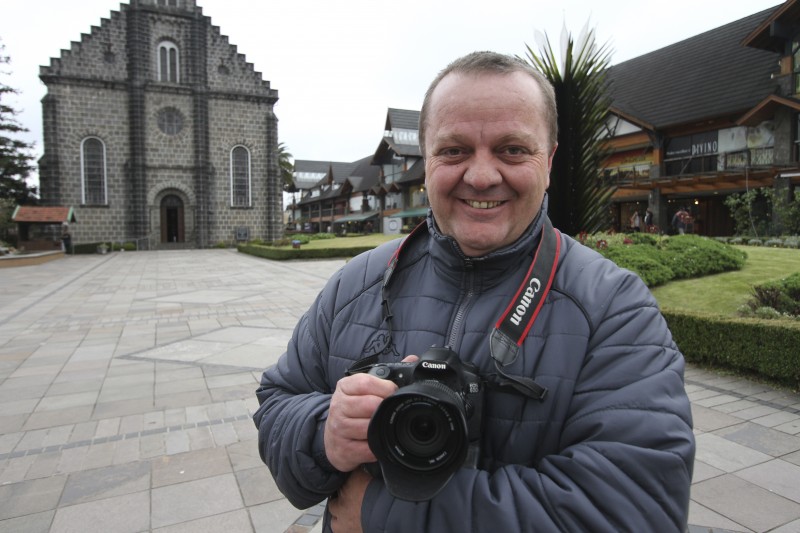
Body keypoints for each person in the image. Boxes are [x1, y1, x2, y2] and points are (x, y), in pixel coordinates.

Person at [254, 51, 695, 532]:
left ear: (548, 161)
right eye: (454, 150)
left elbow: (634, 510)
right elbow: (277, 400)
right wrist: (324, 432)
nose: (481, 176)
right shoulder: (355, 283)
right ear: (426, 160)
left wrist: (383, 515)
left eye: (512, 149)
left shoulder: (614, 309)